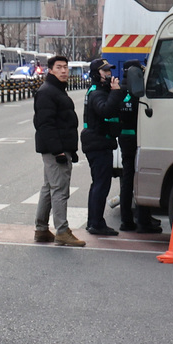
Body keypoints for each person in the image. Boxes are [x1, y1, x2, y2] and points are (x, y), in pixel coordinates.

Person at [33, 55, 84, 246]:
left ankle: (41, 230)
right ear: (51, 70)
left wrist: (70, 149)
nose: (64, 71)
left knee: (48, 189)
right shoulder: (48, 92)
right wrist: (59, 151)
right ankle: (62, 231)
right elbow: (45, 125)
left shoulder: (56, 90)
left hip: (60, 147)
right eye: (59, 67)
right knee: (60, 190)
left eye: (65, 67)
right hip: (56, 150)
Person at [114, 60, 162, 233]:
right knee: (141, 177)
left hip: (124, 137)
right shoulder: (138, 90)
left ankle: (127, 220)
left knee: (127, 179)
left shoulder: (119, 91)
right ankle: (143, 220)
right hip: (137, 137)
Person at [80, 58, 121, 236]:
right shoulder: (97, 92)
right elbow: (105, 110)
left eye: (109, 70)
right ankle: (96, 223)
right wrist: (116, 93)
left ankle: (94, 221)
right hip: (98, 143)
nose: (109, 74)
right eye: (105, 71)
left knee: (98, 183)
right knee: (101, 184)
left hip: (99, 142)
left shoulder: (99, 90)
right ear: (97, 74)